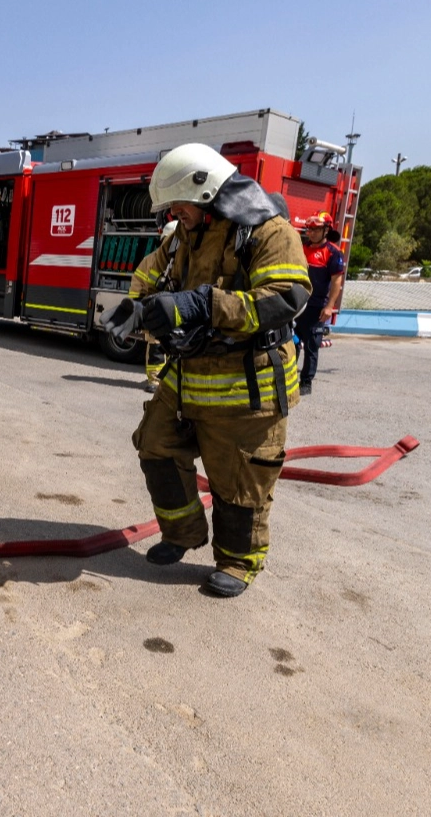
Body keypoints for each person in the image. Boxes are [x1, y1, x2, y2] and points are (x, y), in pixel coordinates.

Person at [101, 143, 311, 597]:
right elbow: (151, 277)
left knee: (238, 479)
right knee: (154, 444)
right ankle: (182, 534)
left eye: (180, 204)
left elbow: (286, 298)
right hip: (189, 372)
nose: (175, 213)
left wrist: (200, 304)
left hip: (246, 382)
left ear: (207, 191)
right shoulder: (182, 235)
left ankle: (238, 562)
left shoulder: (268, 231)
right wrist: (134, 312)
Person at [295, 211, 346, 395]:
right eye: (309, 229)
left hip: (317, 308)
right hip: (298, 304)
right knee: (291, 342)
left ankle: (306, 382)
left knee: (311, 346)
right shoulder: (302, 248)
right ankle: (288, 379)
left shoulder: (333, 253)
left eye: (316, 229)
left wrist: (329, 306)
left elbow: (336, 282)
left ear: (326, 230)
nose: (311, 233)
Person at [127, 220, 178, 391]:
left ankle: (168, 380)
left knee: (172, 345)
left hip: (174, 309)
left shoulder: (185, 259)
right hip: (156, 308)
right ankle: (155, 380)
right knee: (156, 343)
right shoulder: (153, 260)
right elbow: (138, 283)